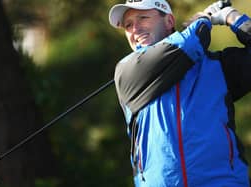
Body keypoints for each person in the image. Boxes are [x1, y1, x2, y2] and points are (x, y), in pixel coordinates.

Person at [108, 0, 251, 186]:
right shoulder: (127, 70)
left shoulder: (216, 68)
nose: (135, 29)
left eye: (142, 18)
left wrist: (232, 17)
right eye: (128, 25)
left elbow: (189, 44)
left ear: (169, 21)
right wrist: (203, 20)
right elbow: (188, 44)